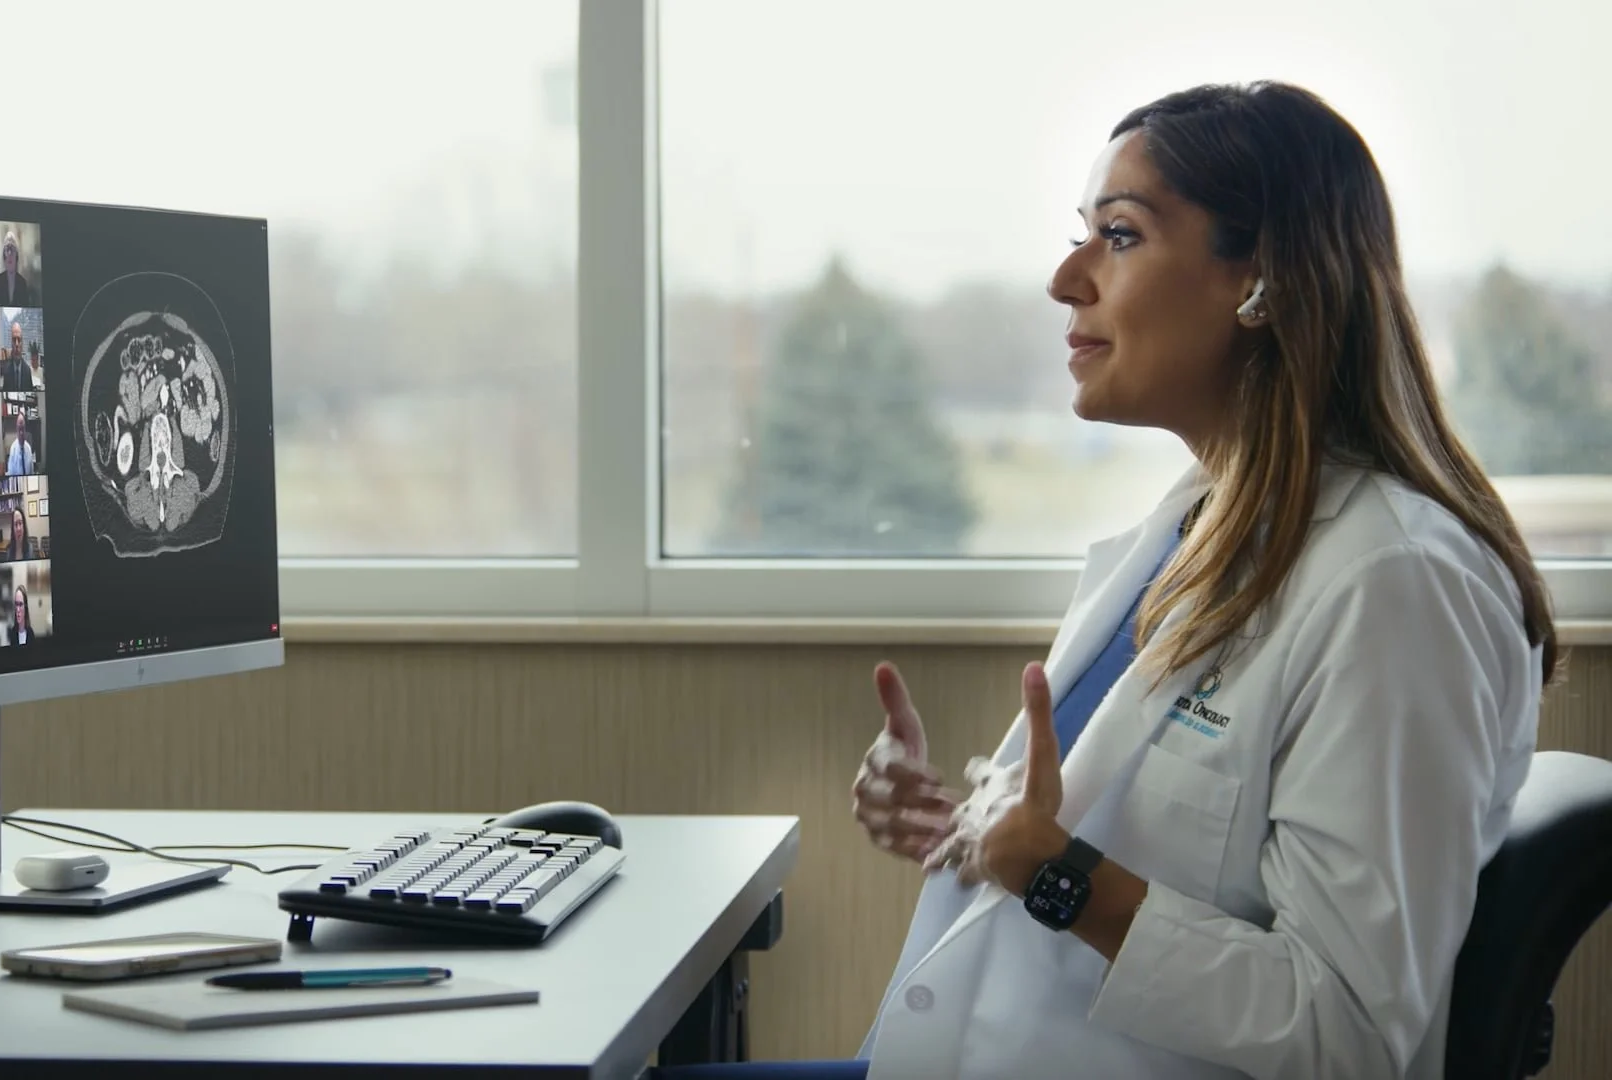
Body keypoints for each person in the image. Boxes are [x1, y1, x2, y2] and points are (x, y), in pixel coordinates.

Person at [656, 80, 1556, 1080]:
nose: (1065, 278)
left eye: (1119, 236)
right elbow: (1158, 844)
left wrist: (1053, 873)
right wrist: (966, 827)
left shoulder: (1398, 588)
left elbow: (1345, 1034)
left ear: (1262, 280)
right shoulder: (1198, 524)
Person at [0, 230, 37, 306]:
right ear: (4, 258)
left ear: (16, 257)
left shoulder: (22, 282)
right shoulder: (0, 279)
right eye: (7, 250)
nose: (9, 255)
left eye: (12, 250)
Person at [4, 411, 37, 476]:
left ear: (25, 429)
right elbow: (10, 473)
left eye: (23, 429)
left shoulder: (28, 448)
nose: (21, 433)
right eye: (19, 429)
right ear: (16, 429)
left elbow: (31, 471)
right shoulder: (13, 449)